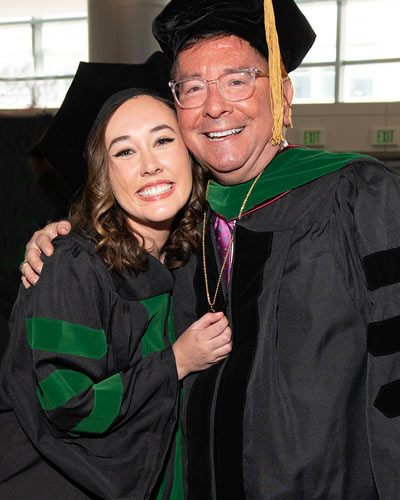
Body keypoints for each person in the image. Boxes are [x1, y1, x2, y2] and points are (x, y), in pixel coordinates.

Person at [21, 0, 400, 498]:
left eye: (238, 80)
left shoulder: (358, 196)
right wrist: (66, 235)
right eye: (193, 88)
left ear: (283, 93)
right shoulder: (190, 225)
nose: (215, 105)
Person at [0, 53, 232, 500]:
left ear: (190, 153)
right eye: (124, 150)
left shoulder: (192, 260)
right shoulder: (70, 265)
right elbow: (68, 404)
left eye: (163, 141)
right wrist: (177, 361)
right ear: (104, 175)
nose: (150, 165)